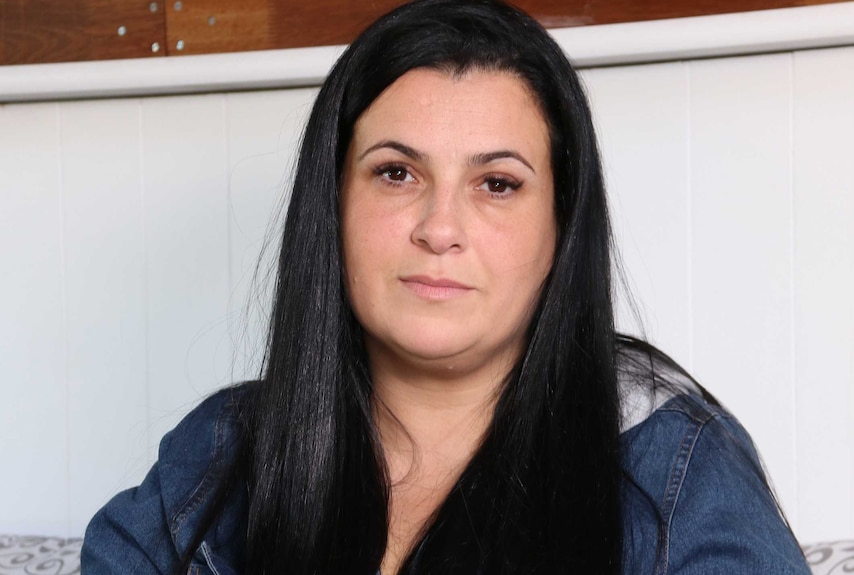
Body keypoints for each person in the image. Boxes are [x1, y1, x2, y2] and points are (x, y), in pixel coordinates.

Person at [82, 1, 812, 573]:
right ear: (331, 205)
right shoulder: (219, 450)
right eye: (396, 172)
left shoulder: (678, 467)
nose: (439, 227)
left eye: (497, 184)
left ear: (561, 229)